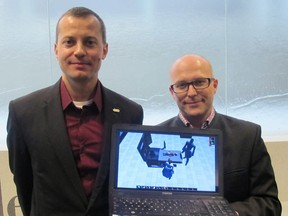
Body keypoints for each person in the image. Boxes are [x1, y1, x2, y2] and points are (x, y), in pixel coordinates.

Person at [6, 7, 143, 216]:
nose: (79, 51)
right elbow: (24, 184)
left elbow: (127, 185)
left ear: (104, 50)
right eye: (69, 42)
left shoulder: (130, 113)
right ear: (56, 49)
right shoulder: (23, 112)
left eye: (89, 42)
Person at [158, 54, 281, 215]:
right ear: (172, 92)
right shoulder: (158, 138)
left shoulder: (248, 136)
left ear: (214, 85)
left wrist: (229, 213)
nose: (192, 92)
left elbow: (269, 203)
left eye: (199, 82)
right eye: (182, 85)